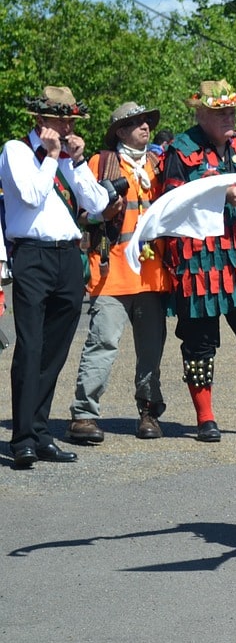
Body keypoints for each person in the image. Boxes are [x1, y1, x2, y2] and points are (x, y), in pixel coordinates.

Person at [160, 80, 236, 442]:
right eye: (220, 111)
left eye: (231, 110)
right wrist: (218, 196)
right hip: (200, 259)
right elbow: (171, 203)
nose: (229, 116)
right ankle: (205, 417)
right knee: (199, 340)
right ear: (201, 113)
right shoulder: (180, 150)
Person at [2, 86, 112, 468]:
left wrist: (77, 163)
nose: (67, 127)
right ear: (40, 120)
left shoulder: (67, 158)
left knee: (55, 350)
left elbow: (98, 205)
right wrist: (51, 157)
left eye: (71, 121)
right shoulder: (16, 151)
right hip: (32, 255)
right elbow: (31, 195)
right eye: (60, 120)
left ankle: (41, 431)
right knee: (31, 348)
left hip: (68, 257)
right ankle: (22, 439)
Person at [67, 102, 170, 443]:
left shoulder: (159, 164)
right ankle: (83, 415)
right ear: (120, 132)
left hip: (152, 275)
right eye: (136, 122)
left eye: (146, 122)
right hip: (111, 273)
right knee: (102, 343)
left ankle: (148, 412)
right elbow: (81, 214)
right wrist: (102, 214)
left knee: (151, 349)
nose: (145, 126)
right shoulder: (100, 162)